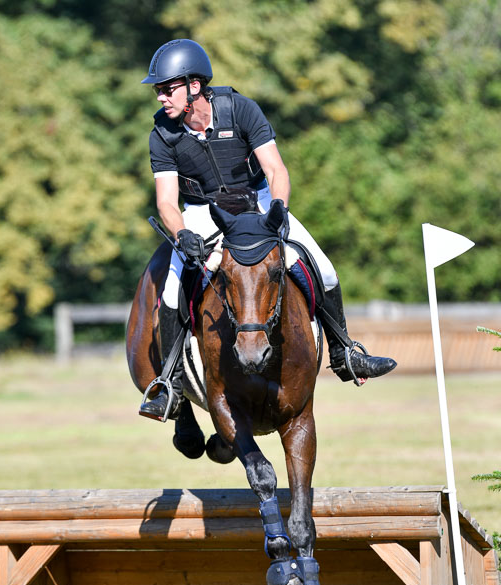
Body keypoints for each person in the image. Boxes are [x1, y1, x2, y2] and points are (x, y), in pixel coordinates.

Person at [139, 38, 396, 420]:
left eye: (167, 88)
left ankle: (345, 354)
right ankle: (170, 385)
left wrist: (278, 209)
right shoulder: (162, 134)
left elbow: (276, 170)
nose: (160, 97)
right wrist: (182, 235)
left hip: (258, 202)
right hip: (202, 211)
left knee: (322, 267)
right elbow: (165, 202)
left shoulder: (241, 109)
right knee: (174, 291)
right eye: (158, 90)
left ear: (195, 86)